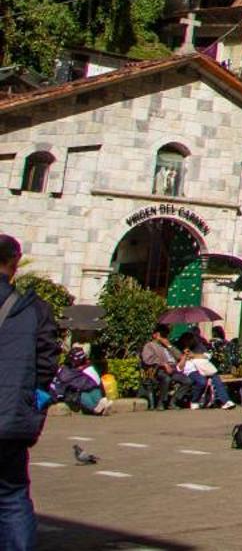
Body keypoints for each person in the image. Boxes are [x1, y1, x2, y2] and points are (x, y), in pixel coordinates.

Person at [0, 233, 62, 551]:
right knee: (11, 498)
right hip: (11, 419)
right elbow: (47, 366)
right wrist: (35, 406)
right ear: (14, 263)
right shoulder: (34, 309)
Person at [51, 349, 109, 416]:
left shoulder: (88, 367)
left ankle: (103, 407)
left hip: (91, 389)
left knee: (95, 391)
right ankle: (97, 409)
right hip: (76, 393)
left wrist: (103, 394)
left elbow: (97, 382)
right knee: (83, 396)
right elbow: (59, 384)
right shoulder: (64, 370)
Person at [138, 323, 181, 407]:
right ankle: (161, 402)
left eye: (165, 335)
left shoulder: (167, 346)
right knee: (166, 379)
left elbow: (179, 356)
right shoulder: (150, 346)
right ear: (155, 335)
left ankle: (173, 401)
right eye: (162, 334)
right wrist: (163, 364)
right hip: (156, 370)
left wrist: (169, 346)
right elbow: (148, 359)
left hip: (173, 369)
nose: (164, 337)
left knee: (187, 381)